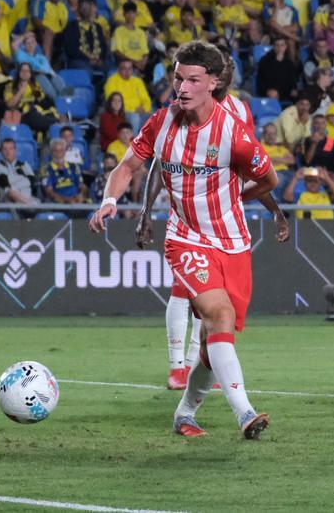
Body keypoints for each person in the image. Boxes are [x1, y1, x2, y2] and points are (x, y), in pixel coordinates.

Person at [90, 42, 278, 440]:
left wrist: (236, 198)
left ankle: (185, 413)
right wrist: (110, 201)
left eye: (193, 79)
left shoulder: (234, 132)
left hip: (234, 244)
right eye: (178, 78)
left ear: (214, 82)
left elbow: (269, 179)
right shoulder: (161, 123)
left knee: (213, 343)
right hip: (186, 239)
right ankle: (244, 413)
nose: (183, 87)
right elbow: (128, 166)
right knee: (218, 315)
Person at [137, 51, 291, 389]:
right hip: (187, 216)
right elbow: (159, 162)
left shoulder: (238, 112)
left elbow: (248, 167)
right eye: (225, 67)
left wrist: (275, 210)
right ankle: (177, 365)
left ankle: (197, 364)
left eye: (233, 67)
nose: (230, 72)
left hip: (220, 220)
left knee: (210, 303)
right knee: (184, 290)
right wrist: (146, 211)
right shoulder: (180, 106)